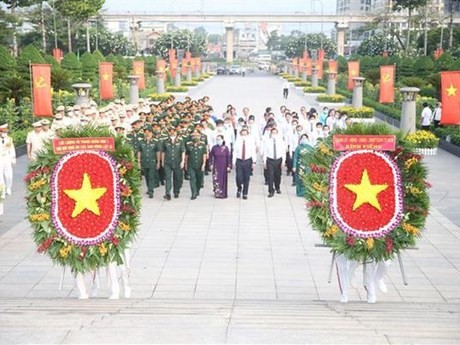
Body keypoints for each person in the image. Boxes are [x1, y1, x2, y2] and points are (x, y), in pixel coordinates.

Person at [161, 128, 185, 200]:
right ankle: (167, 193)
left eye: (174, 132)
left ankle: (176, 192)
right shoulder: (165, 141)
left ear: (176, 132)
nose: (172, 133)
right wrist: (162, 161)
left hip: (177, 162)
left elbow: (183, 151)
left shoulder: (180, 141)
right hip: (167, 162)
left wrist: (183, 161)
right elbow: (163, 152)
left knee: (177, 178)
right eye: (171, 132)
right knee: (168, 178)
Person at [137, 125, 161, 199]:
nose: (147, 133)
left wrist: (158, 162)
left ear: (152, 133)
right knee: (147, 176)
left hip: (152, 162)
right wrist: (138, 162)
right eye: (145, 132)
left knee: (151, 177)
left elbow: (158, 152)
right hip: (144, 162)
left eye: (149, 132)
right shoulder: (141, 142)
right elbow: (139, 152)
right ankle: (149, 188)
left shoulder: (155, 142)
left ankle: (151, 191)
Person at [233, 127, 257, 200]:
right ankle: (239, 188)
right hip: (239, 160)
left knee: (247, 177)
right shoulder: (237, 141)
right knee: (238, 177)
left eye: (245, 134)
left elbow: (253, 151)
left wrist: (254, 161)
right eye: (242, 134)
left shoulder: (250, 141)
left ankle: (245, 192)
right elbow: (235, 152)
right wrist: (233, 161)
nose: (244, 136)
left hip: (247, 160)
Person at [263, 127, 286, 198]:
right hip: (270, 160)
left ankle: (277, 187)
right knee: (270, 175)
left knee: (277, 175)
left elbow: (283, 151)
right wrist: (264, 162)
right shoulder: (267, 141)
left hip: (278, 160)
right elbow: (265, 152)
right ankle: (270, 190)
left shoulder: (281, 141)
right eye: (273, 133)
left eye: (275, 133)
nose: (274, 134)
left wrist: (283, 161)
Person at [185, 130, 207, 200]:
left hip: (200, 165)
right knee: (192, 179)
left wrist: (204, 164)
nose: (195, 137)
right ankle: (193, 193)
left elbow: (204, 155)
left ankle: (197, 190)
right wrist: (185, 163)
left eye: (197, 135)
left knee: (199, 180)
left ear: (200, 136)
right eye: (194, 135)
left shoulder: (203, 144)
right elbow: (187, 155)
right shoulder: (188, 144)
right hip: (191, 164)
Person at [0, 123, 16, 198]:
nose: (4, 133)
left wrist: (13, 158)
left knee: (9, 175)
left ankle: (8, 187)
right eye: (3, 132)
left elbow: (11, 149)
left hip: (7, 158)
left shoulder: (9, 139)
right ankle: (2, 191)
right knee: (0, 177)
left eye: (5, 132)